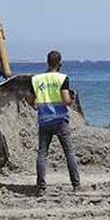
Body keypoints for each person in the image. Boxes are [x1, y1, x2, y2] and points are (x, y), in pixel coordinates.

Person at [30, 50, 81, 193]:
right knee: (69, 152)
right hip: (60, 120)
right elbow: (66, 100)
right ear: (60, 63)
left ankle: (41, 186)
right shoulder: (62, 78)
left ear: (47, 62)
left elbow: (29, 99)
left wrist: (36, 106)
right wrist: (72, 100)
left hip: (44, 120)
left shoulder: (37, 79)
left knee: (42, 154)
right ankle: (76, 184)